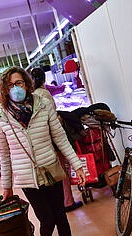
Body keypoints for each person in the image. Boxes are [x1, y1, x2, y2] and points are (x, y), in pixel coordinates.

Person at [0, 66, 88, 236]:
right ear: (4, 90)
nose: (15, 88)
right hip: (27, 177)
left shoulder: (43, 105)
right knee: (46, 219)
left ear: (26, 84)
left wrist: (77, 165)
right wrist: (7, 187)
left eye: (18, 83)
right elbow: (4, 154)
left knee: (61, 217)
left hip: (50, 169)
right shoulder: (1, 116)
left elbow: (60, 138)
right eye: (9, 85)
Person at [30, 67, 83, 212]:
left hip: (43, 140)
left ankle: (60, 202)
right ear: (44, 79)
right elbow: (53, 119)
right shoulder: (44, 93)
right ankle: (68, 201)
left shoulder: (32, 95)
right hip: (54, 137)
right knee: (62, 169)